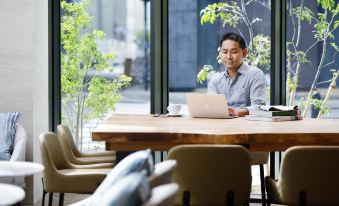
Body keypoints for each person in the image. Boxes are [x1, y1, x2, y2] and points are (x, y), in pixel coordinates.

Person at [208, 32, 266, 117]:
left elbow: (259, 107)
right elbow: (210, 106)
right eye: (225, 52)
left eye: (234, 52)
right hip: (220, 126)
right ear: (220, 53)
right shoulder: (215, 81)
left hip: (247, 126)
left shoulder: (255, 75)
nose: (228, 56)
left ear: (244, 53)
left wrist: (237, 112)